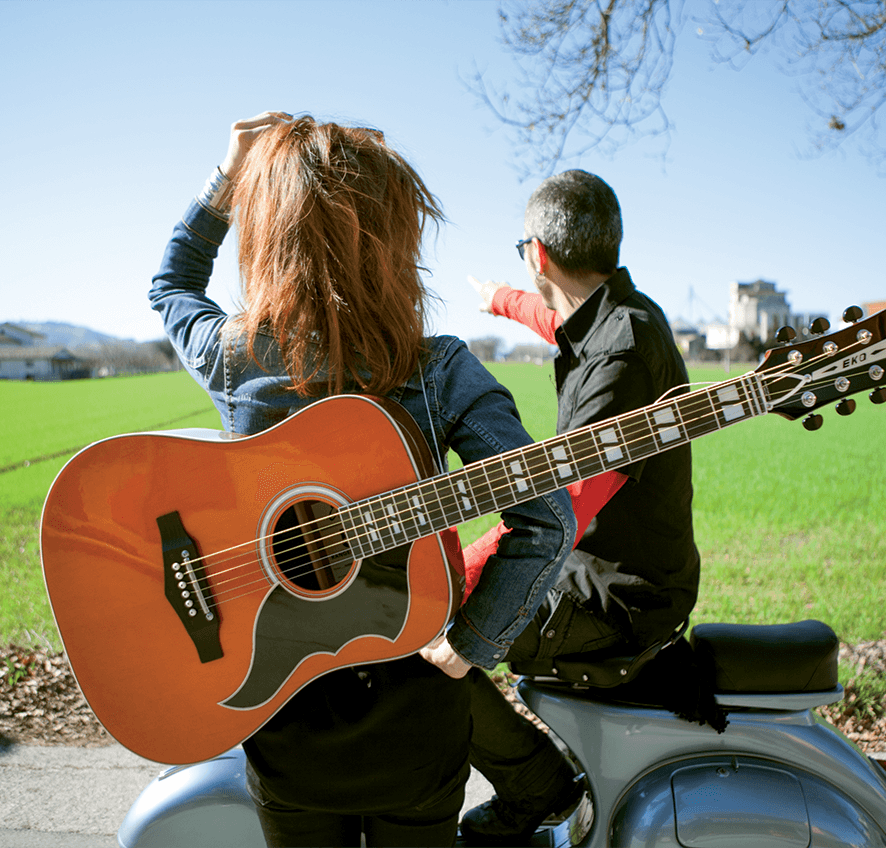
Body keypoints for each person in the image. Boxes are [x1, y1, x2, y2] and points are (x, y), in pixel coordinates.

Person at [149, 111, 575, 848]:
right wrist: (473, 643)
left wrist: (226, 177)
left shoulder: (234, 355)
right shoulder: (440, 369)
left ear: (268, 236)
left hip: (280, 718)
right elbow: (549, 518)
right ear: (396, 241)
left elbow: (172, 284)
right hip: (418, 720)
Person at [460, 169, 701, 844]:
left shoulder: (623, 354)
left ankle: (531, 784)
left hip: (615, 597)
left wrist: (461, 566)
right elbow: (560, 323)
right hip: (603, 570)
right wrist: (504, 299)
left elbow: (565, 505)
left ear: (538, 254)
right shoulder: (618, 317)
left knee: (414, 615)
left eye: (523, 257)